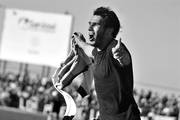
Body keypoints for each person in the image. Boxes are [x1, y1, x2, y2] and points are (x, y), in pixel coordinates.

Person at [53, 6, 141, 120]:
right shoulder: (96, 52)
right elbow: (86, 48)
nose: (89, 28)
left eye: (95, 25)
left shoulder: (115, 49)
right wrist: (78, 40)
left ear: (109, 30)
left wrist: (120, 56)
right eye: (90, 24)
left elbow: (124, 59)